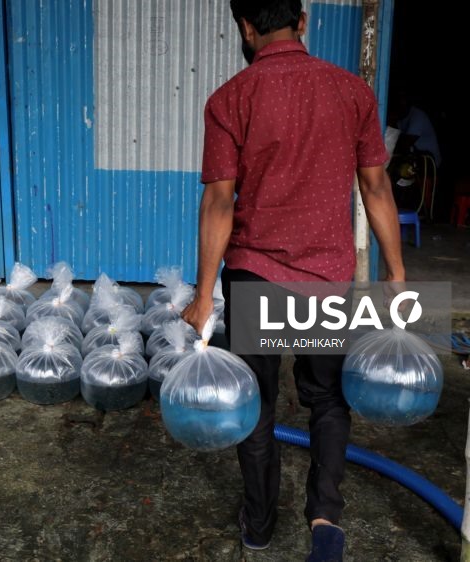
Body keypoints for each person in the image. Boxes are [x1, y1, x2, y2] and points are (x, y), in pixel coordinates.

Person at [181, 1, 406, 560]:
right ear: (302, 21)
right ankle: (325, 518)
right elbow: (377, 188)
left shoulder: (231, 98)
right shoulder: (352, 91)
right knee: (327, 399)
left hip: (255, 274)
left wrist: (204, 294)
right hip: (327, 275)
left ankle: (259, 525)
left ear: (246, 27)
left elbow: (219, 201)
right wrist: (397, 274)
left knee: (256, 402)